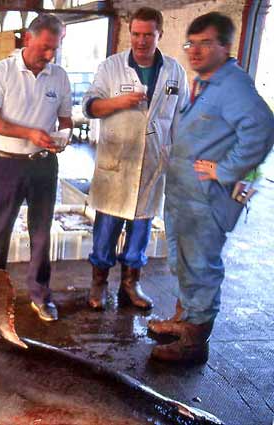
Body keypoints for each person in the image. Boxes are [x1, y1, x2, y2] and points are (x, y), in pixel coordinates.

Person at [150, 12, 274, 364]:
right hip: (186, 198)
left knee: (200, 267)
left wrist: (227, 169)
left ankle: (193, 343)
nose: (196, 51)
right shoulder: (207, 84)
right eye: (192, 43)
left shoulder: (232, 86)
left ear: (225, 46)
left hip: (205, 201)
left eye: (206, 43)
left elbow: (263, 129)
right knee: (185, 263)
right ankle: (183, 319)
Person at [82, 7, 189, 312]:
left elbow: (181, 117)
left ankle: (131, 283)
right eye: (136, 34)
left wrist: (181, 158)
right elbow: (90, 107)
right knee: (106, 227)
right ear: (130, 33)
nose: (141, 41)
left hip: (153, 165)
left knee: (141, 229)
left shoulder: (174, 72)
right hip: (116, 162)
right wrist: (118, 102)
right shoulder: (111, 67)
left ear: (160, 35)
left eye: (148, 35)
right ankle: (99, 282)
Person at [0, 14, 73, 322]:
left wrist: (63, 138)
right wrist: (29, 133)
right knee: (1, 230)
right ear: (27, 38)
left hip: (44, 164)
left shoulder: (59, 76)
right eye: (44, 47)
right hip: (7, 164)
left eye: (54, 49)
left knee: (42, 233)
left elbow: (66, 119)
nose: (49, 55)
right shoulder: (1, 72)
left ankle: (41, 295)